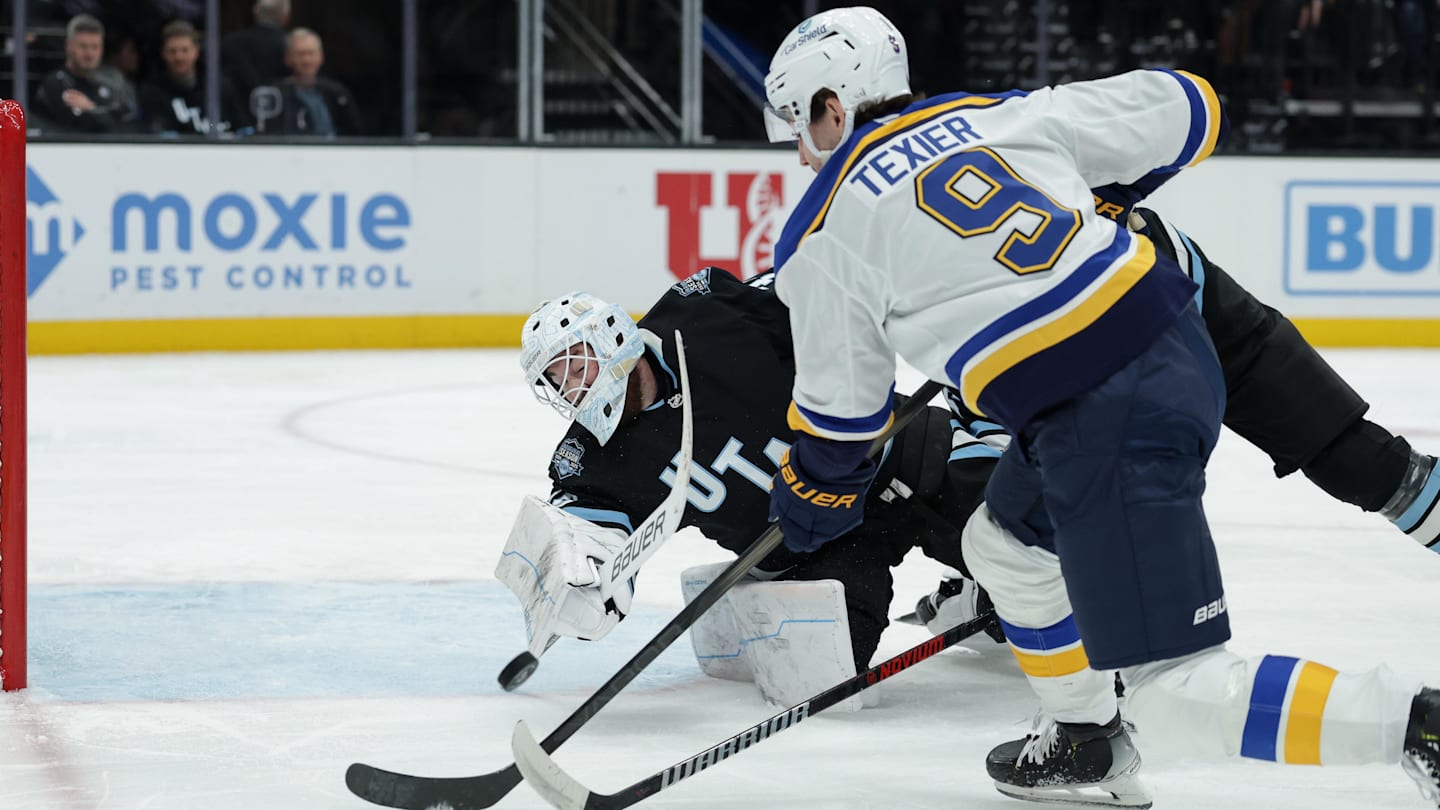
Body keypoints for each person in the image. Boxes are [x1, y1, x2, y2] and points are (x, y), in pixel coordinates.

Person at [761, 6, 1439, 808]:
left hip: (1099, 410)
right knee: (1003, 546)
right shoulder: (996, 116)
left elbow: (843, 424)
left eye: (799, 130)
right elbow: (1190, 107)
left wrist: (807, 505)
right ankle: (1085, 737)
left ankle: (1417, 725)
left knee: (1177, 692)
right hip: (1173, 337)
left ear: (834, 107)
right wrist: (1082, 188)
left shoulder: (822, 231)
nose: (802, 157)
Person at [498, 268, 998, 709]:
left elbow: (819, 291)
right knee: (824, 684)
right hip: (814, 548)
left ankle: (989, 436)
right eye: (559, 382)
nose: (575, 390)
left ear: (610, 336)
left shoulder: (703, 313)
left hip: (897, 458)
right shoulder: (589, 463)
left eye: (578, 367)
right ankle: (970, 601)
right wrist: (581, 589)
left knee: (1035, 543)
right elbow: (590, 541)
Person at [33, 14, 139, 134]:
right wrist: (100, 114)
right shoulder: (56, 84)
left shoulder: (111, 84)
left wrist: (91, 109)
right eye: (83, 47)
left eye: (95, 47)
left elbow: (123, 125)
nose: (89, 54)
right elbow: (70, 127)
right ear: (69, 46)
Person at [139, 21, 243, 136]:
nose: (179, 57)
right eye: (172, 51)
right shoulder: (152, 92)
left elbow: (241, 129)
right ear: (163, 53)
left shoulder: (218, 87)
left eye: (185, 50)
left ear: (196, 51)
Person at [266, 28, 363, 137]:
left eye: (311, 53)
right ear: (288, 58)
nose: (306, 60)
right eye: (300, 54)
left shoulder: (336, 93)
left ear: (321, 57)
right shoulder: (275, 94)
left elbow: (354, 131)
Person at [222, 0, 290, 123]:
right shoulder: (290, 45)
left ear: (255, 13)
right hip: (283, 122)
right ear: (286, 16)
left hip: (238, 120)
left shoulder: (232, 43)